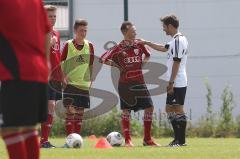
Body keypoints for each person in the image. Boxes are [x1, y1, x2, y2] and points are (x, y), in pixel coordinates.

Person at [0, 0, 50, 159]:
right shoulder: (36, 2)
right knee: (28, 128)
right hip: (39, 70)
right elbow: (47, 32)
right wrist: (46, 62)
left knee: (10, 128)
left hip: (16, 70)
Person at [100, 21, 159, 147]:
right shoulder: (118, 47)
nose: (135, 32)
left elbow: (148, 55)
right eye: (133, 31)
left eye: (135, 31)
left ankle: (147, 139)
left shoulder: (139, 44)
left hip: (139, 82)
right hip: (125, 84)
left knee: (149, 107)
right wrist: (117, 66)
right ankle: (127, 140)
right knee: (126, 110)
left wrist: (142, 64)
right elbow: (102, 59)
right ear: (125, 32)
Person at [140, 15, 188, 146]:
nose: (163, 29)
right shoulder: (174, 41)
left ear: (170, 26)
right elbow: (163, 48)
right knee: (170, 109)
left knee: (177, 109)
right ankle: (179, 139)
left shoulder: (178, 41)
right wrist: (147, 42)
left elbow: (177, 62)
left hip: (177, 81)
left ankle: (180, 140)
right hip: (175, 81)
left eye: (164, 27)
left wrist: (171, 83)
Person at [61, 19, 94, 138]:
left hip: (83, 84)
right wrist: (63, 77)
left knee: (80, 113)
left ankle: (77, 138)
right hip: (70, 84)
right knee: (70, 112)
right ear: (75, 30)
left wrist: (91, 80)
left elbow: (91, 64)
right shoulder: (68, 45)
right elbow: (61, 62)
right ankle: (70, 138)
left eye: (85, 30)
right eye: (81, 30)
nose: (83, 33)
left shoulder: (89, 45)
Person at [40, 5, 62, 148]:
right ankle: (41, 139)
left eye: (54, 16)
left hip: (55, 75)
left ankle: (45, 140)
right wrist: (48, 43)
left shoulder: (57, 33)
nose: (53, 18)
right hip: (44, 74)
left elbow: (57, 56)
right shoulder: (39, 31)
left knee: (52, 106)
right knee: (48, 105)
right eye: (50, 16)